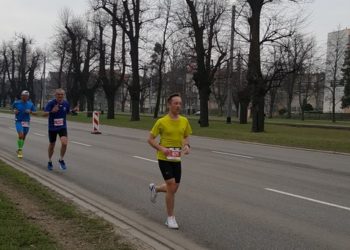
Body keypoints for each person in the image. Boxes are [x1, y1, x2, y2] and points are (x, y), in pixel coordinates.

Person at [147, 93, 192, 229]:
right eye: (175, 103)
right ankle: (170, 218)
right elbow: (150, 139)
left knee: (174, 188)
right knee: (171, 185)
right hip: (164, 158)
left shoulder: (184, 120)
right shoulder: (161, 122)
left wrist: (186, 145)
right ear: (169, 105)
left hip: (176, 158)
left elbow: (185, 136)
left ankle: (155, 188)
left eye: (180, 103)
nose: (178, 106)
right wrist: (162, 148)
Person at [44, 88, 77, 171]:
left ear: (63, 95)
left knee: (64, 143)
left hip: (62, 127)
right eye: (58, 94)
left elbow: (67, 112)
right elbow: (44, 114)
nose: (60, 96)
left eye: (62, 95)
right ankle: (49, 161)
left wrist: (73, 111)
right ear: (55, 95)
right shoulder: (51, 103)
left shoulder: (66, 103)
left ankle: (61, 160)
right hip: (52, 127)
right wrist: (52, 111)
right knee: (52, 145)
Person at [12, 90, 37, 158]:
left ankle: (19, 148)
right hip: (19, 121)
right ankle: (20, 151)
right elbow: (12, 108)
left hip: (26, 122)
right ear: (21, 96)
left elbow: (35, 113)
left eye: (27, 96)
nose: (25, 97)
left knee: (24, 136)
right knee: (21, 135)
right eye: (24, 96)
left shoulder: (30, 104)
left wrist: (30, 112)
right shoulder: (16, 103)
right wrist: (14, 111)